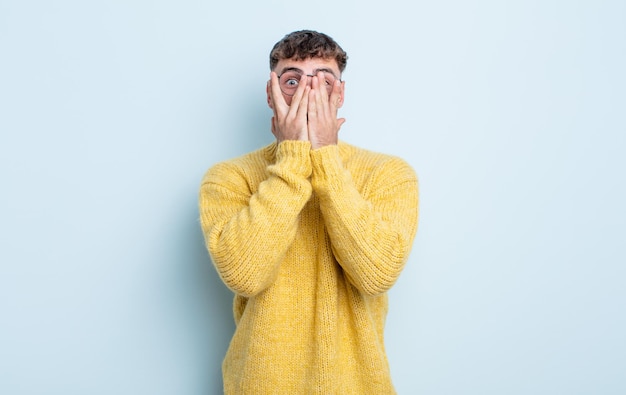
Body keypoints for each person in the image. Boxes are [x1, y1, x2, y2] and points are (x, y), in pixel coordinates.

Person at [199, 30, 419, 394]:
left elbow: (376, 275)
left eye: (323, 81)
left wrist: (326, 159)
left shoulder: (389, 174)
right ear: (270, 94)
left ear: (341, 95)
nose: (308, 94)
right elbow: (245, 275)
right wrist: (292, 160)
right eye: (292, 81)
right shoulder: (228, 178)